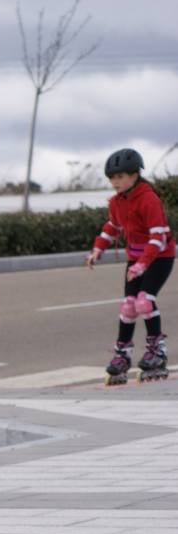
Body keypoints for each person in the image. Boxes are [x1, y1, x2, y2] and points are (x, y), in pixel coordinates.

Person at [86, 147, 174, 384]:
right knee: (128, 306)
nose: (115, 182)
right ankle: (122, 355)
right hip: (136, 258)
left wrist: (143, 265)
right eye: (112, 178)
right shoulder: (116, 202)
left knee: (145, 300)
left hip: (160, 256)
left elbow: (158, 238)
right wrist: (97, 249)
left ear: (135, 175)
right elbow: (112, 227)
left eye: (120, 177)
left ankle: (157, 352)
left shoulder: (148, 199)